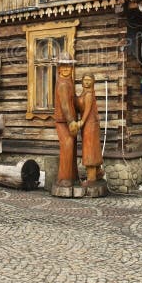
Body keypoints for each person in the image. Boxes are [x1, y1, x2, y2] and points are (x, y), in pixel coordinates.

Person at [54, 52, 78, 187]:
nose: (66, 69)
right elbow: (65, 105)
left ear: (72, 68)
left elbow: (72, 100)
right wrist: (71, 121)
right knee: (67, 146)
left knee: (72, 147)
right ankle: (63, 178)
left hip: (70, 121)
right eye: (63, 66)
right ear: (58, 68)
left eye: (68, 67)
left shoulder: (69, 81)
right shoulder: (63, 84)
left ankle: (72, 176)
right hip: (64, 121)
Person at [76, 73, 104, 187]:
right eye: (85, 80)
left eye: (89, 80)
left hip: (90, 124)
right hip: (89, 124)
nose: (87, 82)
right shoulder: (84, 93)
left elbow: (87, 110)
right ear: (82, 81)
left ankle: (91, 178)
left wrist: (82, 121)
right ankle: (98, 172)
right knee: (91, 147)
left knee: (90, 149)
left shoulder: (88, 94)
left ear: (93, 82)